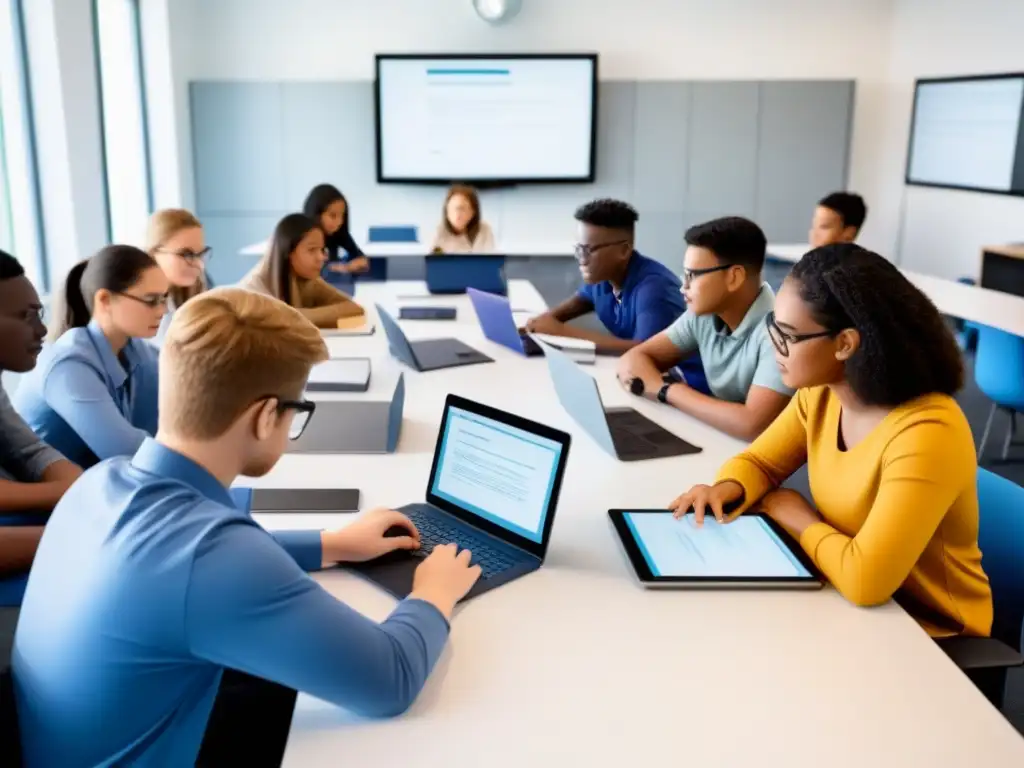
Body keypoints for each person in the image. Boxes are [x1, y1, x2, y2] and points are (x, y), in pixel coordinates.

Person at [12, 288, 482, 765]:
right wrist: (432, 593)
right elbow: (392, 680)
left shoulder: (99, 483)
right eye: (296, 411)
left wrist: (332, 544)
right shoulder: (214, 557)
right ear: (263, 417)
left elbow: (186, 569)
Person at [669, 244, 991, 638]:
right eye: (773, 327)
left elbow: (866, 581)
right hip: (841, 595)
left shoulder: (927, 432)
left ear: (845, 343)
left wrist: (797, 517)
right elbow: (759, 463)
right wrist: (725, 488)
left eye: (787, 335)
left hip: (929, 634)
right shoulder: (822, 392)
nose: (773, 347)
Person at [617, 217, 791, 440]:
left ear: (734, 277)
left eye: (693, 275)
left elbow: (752, 425)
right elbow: (635, 358)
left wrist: (666, 390)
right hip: (723, 441)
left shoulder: (780, 332)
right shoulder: (704, 314)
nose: (684, 287)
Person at [13, 246, 166, 469]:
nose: (162, 310)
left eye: (164, 298)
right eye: (151, 300)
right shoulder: (68, 365)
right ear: (104, 300)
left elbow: (179, 423)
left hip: (91, 490)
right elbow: (127, 451)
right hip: (41, 499)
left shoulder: (141, 353)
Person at [524, 200, 702, 378]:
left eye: (589, 249)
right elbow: (557, 316)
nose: (581, 258)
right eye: (578, 249)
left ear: (624, 251)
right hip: (641, 375)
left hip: (685, 381)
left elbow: (644, 352)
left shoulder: (654, 289)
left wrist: (563, 332)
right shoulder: (601, 279)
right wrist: (535, 325)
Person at [0, 251, 81, 606]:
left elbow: (31, 452)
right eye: (25, 316)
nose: (42, 330)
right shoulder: (71, 363)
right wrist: (80, 532)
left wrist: (74, 488)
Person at [240, 213, 365, 328]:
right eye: (312, 250)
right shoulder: (254, 292)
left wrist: (297, 315)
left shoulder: (308, 277)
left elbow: (354, 309)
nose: (321, 257)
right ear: (288, 252)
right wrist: (297, 317)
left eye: (322, 250)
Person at [147, 208, 209, 343]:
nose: (199, 264)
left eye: (201, 254)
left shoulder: (193, 292)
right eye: (186, 254)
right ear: (154, 253)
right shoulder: (136, 309)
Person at [302, 183, 369, 275]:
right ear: (317, 215)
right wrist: (338, 268)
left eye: (342, 216)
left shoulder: (338, 233)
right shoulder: (301, 237)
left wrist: (349, 266)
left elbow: (360, 257)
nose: (339, 222)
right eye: (333, 216)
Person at [429, 184, 496, 254]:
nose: (456, 214)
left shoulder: (484, 229)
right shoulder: (439, 232)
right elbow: (434, 261)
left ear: (473, 212)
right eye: (452, 208)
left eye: (461, 208)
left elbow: (490, 260)